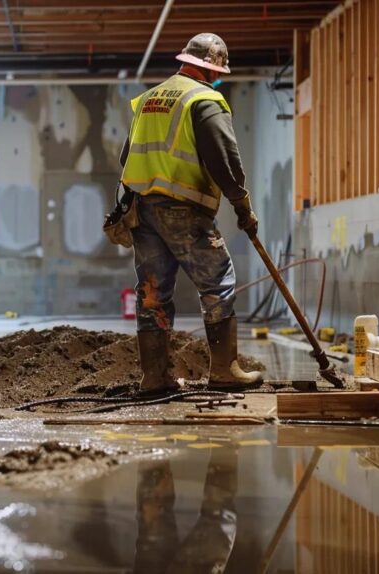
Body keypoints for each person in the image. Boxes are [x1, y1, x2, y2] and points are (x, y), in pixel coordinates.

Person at [120, 33, 263, 394]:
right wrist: (242, 206)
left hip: (142, 209)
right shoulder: (204, 99)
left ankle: (154, 378)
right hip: (183, 207)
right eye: (219, 73)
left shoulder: (149, 99)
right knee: (218, 282)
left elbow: (126, 157)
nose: (219, 80)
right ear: (211, 69)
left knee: (153, 292)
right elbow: (225, 161)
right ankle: (225, 371)